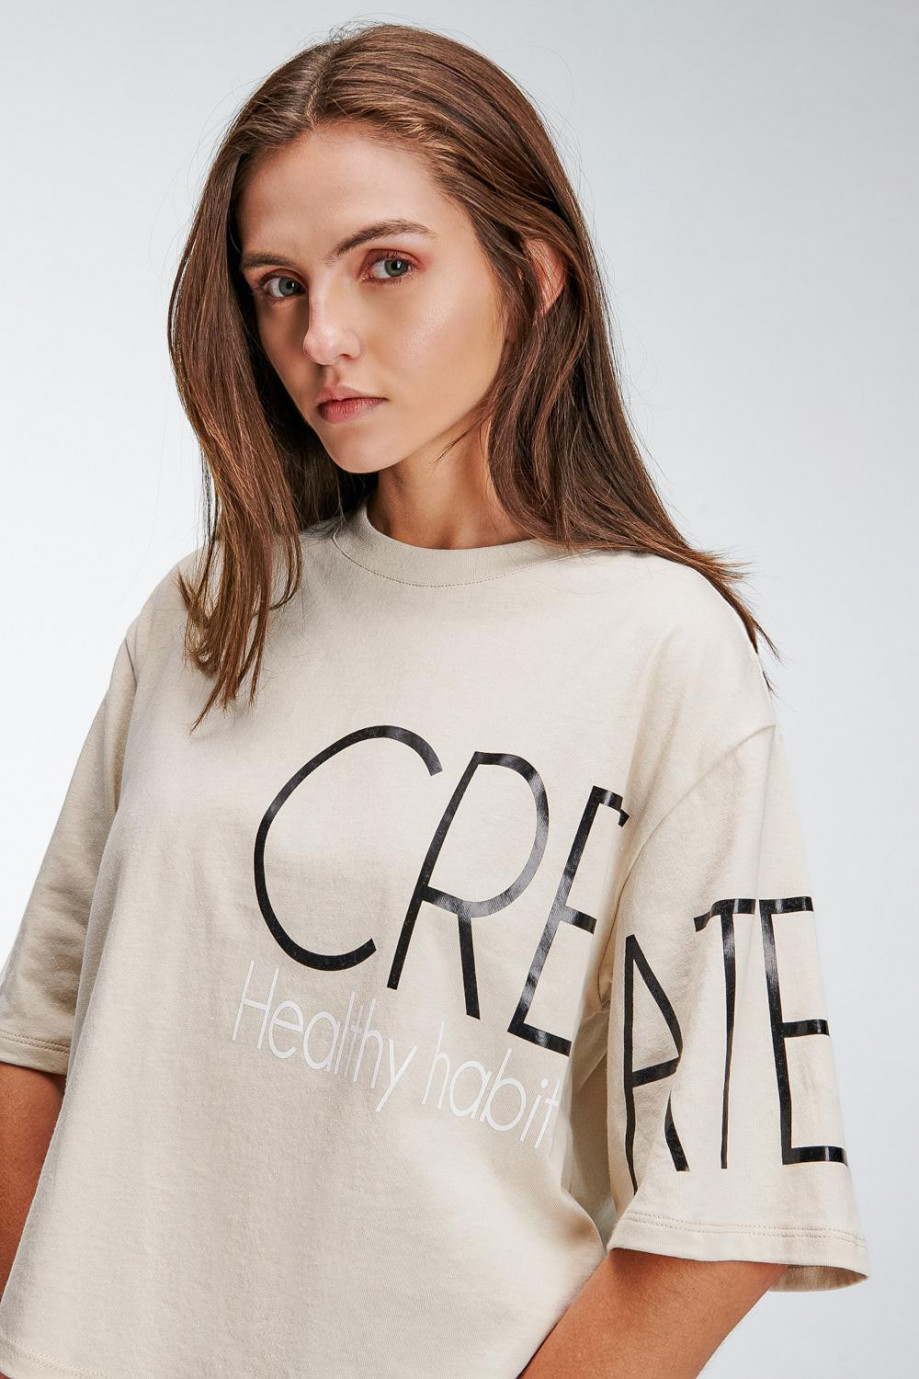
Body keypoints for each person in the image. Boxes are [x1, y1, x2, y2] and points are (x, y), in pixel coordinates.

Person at [0, 19, 869, 1379]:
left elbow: (731, 1199)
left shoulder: (660, 650)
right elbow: (37, 1044)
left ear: (535, 270)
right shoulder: (211, 611)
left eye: (387, 265)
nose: (322, 336)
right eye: (277, 285)